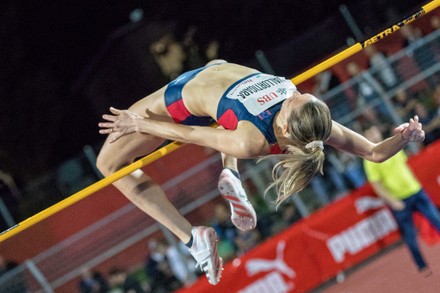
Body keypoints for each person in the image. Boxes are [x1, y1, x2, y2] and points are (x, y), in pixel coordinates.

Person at [97, 61, 424, 285]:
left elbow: (191, 136)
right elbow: (374, 151)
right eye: (301, 93)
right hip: (215, 85)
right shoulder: (314, 123)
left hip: (182, 101)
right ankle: (231, 171)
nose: (294, 92)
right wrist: (404, 136)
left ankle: (191, 236)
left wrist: (139, 124)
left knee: (108, 166)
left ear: (285, 122)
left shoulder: (250, 138)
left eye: (296, 99)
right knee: (219, 69)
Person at [363, 125, 440, 276]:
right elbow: (377, 186)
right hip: (400, 201)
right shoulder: (370, 159)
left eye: (374, 131)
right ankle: (422, 266)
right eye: (369, 134)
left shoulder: (393, 145)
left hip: (416, 191)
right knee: (410, 235)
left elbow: (404, 164)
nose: (373, 135)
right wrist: (393, 202)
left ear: (378, 131)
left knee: (436, 220)